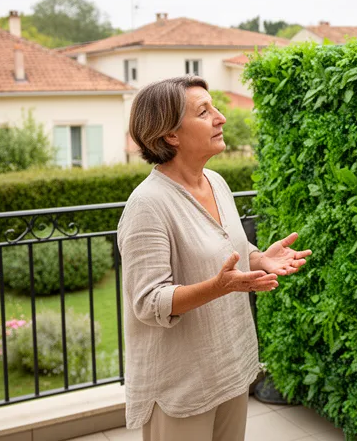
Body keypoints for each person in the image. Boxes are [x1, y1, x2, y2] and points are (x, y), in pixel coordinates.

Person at [117, 75, 311, 441]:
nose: (221, 117)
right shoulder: (148, 205)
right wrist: (220, 287)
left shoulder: (216, 182)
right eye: (204, 112)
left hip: (230, 368)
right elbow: (149, 302)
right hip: (181, 387)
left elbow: (222, 251)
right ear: (170, 135)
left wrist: (257, 258)